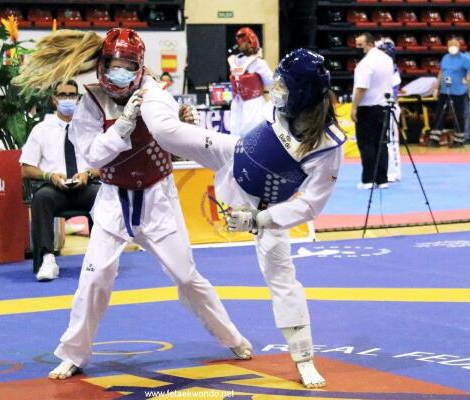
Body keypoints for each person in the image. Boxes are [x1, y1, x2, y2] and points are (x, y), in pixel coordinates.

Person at [15, 28, 251, 380]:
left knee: (187, 277)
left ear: (140, 66)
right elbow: (91, 154)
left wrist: (191, 128)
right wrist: (121, 128)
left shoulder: (154, 92)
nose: (120, 73)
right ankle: (74, 353)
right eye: (114, 65)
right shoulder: (91, 101)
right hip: (113, 199)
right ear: (102, 65)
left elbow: (169, 136)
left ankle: (231, 337)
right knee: (94, 281)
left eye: (128, 66)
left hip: (158, 198)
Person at [144, 48, 345, 389]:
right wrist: (188, 123)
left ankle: (304, 358)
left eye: (283, 84)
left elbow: (310, 206)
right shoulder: (280, 106)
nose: (275, 89)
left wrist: (259, 220)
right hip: (234, 153)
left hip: (265, 207)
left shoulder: (328, 145)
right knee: (169, 133)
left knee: (283, 281)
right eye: (276, 81)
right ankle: (146, 84)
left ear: (304, 93)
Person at [19, 80, 101, 281]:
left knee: (102, 196)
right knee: (42, 197)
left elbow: (106, 164)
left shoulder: (91, 129)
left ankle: (100, 260)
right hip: (55, 188)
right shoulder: (41, 129)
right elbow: (26, 168)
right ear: (54, 100)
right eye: (62, 95)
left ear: (78, 99)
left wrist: (88, 174)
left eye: (71, 95)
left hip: (85, 186)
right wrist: (49, 176)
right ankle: (48, 259)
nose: (67, 99)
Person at [351, 32, 394, 190]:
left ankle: (368, 179)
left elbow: (361, 88)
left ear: (369, 43)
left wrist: (354, 106)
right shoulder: (387, 59)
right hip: (384, 106)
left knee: (367, 144)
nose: (358, 49)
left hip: (367, 108)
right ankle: (382, 179)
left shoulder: (366, 63)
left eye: (360, 45)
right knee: (381, 143)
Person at [429, 39, 470, 147]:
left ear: (458, 46)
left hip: (458, 92)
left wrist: (467, 78)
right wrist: (436, 88)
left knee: (458, 116)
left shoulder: (463, 58)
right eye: (450, 45)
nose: (452, 47)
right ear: (447, 46)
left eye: (454, 45)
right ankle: (434, 138)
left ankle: (459, 140)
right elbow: (441, 73)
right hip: (444, 91)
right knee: (439, 114)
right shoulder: (445, 57)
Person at [228, 27, 274, 136]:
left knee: (253, 135)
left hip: (254, 104)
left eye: (246, 42)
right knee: (235, 135)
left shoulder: (258, 63)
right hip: (237, 103)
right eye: (242, 42)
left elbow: (271, 82)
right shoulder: (234, 60)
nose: (244, 44)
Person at [376, 37, 402, 183]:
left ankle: (394, 172)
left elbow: (392, 91)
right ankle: (383, 170)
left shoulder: (392, 68)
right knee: (381, 141)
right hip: (378, 107)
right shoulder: (380, 68)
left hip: (389, 107)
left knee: (391, 141)